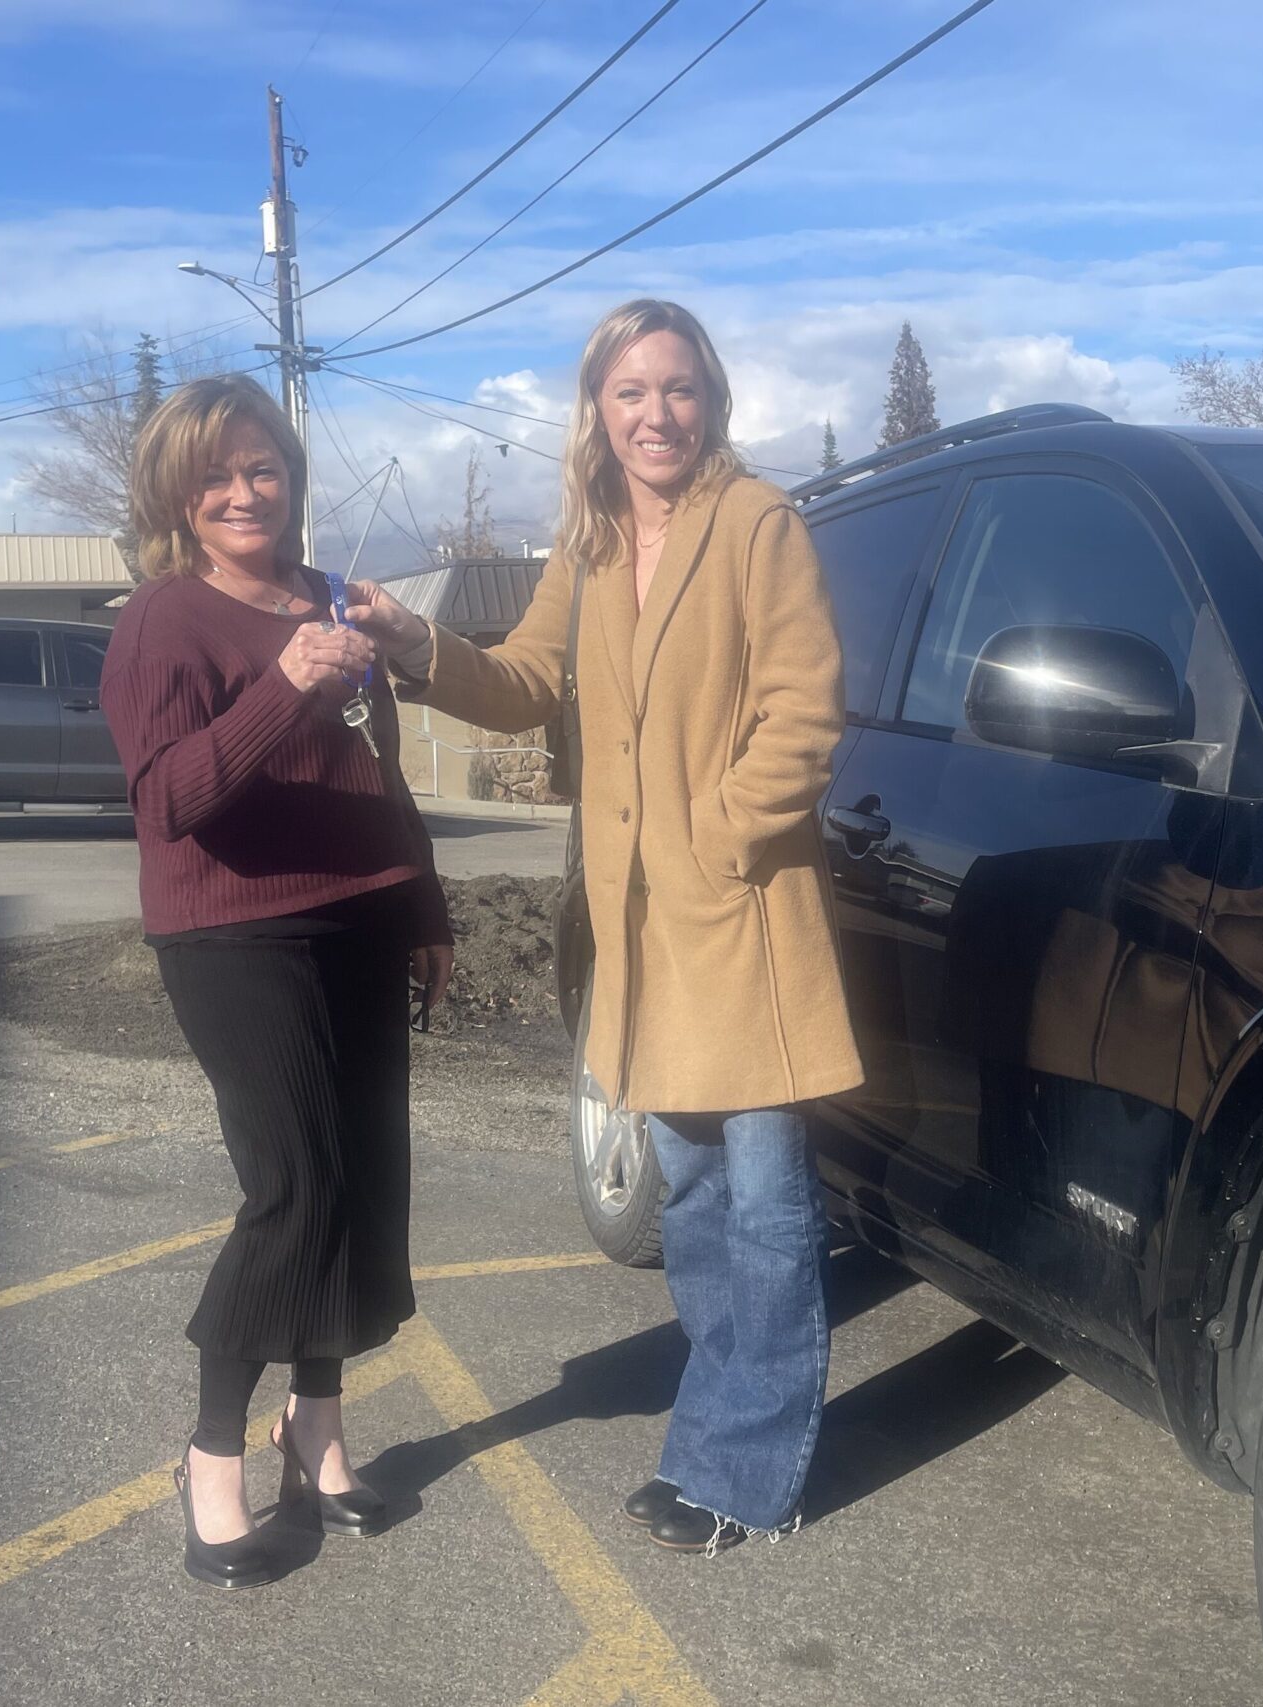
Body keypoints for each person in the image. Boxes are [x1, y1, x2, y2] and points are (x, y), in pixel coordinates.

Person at [350, 299, 859, 1553]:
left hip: (738, 914)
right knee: (686, 1200)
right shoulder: (583, 547)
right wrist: (418, 642)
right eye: (630, 393)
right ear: (596, 412)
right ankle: (717, 1433)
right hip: (639, 926)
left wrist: (722, 837)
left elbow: (804, 708)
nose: (655, 414)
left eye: (676, 388)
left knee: (767, 1207)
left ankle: (746, 1472)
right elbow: (522, 685)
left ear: (712, 399)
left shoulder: (757, 524)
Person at [102, 374, 455, 1590]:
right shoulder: (164, 619)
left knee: (363, 1188)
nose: (244, 491)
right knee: (293, 1191)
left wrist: (424, 911)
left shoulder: (330, 598)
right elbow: (168, 802)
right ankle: (211, 1459)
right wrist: (282, 685)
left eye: (262, 467)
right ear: (176, 495)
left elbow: (376, 776)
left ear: (293, 479)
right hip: (238, 938)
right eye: (216, 474)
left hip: (361, 925)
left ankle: (320, 1435)